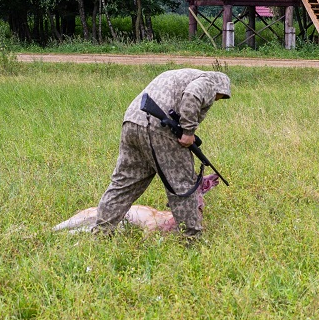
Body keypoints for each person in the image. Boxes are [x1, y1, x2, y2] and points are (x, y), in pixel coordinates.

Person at [94, 69, 231, 239]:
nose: (217, 99)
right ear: (221, 89)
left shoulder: (180, 75)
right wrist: (188, 131)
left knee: (123, 184)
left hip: (132, 122)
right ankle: (191, 239)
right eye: (220, 97)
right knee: (183, 186)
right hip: (158, 129)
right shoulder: (209, 82)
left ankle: (100, 234)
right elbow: (193, 94)